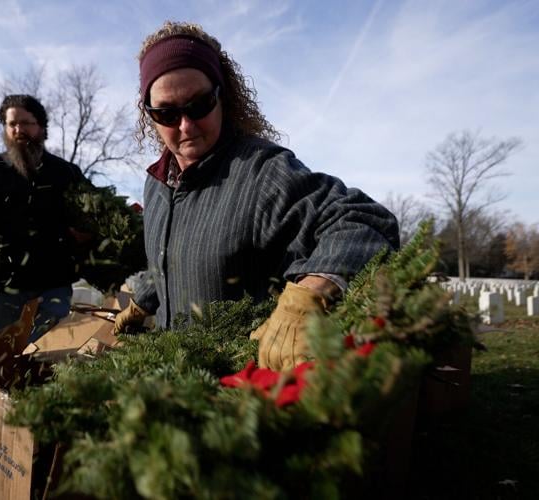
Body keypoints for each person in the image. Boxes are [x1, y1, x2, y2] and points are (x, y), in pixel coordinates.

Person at [112, 21, 400, 371]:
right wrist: (143, 301)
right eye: (167, 113)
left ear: (223, 96)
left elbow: (364, 220)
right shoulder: (156, 186)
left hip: (243, 383)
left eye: (199, 104)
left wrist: (311, 293)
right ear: (149, 116)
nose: (185, 125)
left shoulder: (262, 172)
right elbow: (170, 258)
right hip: (177, 379)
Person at [0, 94, 86, 341]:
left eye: (26, 123)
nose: (18, 130)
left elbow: (90, 217)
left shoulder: (65, 173)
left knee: (49, 359)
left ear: (40, 126)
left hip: (53, 285)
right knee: (6, 359)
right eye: (11, 124)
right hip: (3, 287)